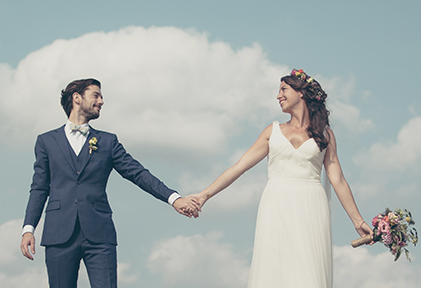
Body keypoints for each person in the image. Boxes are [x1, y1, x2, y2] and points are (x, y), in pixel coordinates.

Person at [190, 69, 373, 288]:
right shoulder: (272, 131)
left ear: (301, 93)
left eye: (283, 89)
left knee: (308, 269)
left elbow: (338, 179)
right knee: (274, 268)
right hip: (276, 204)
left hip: (311, 206)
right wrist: (204, 195)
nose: (278, 96)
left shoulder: (324, 134)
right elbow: (239, 167)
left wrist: (358, 221)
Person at [20, 78, 200, 288]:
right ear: (77, 98)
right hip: (58, 235)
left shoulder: (108, 141)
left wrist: (174, 198)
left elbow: (137, 173)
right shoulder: (46, 141)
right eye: (96, 95)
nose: (102, 101)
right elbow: (39, 188)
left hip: (99, 235)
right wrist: (28, 228)